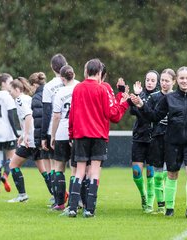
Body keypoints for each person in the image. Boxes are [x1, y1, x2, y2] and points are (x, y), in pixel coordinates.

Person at [131, 66, 187, 218]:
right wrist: (142, 105)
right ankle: (169, 208)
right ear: (177, 80)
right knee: (172, 174)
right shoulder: (169, 99)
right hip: (173, 143)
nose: (185, 81)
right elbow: (154, 116)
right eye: (182, 78)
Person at [66, 58, 128, 218]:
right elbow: (113, 115)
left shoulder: (77, 88)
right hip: (98, 136)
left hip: (80, 135)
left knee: (79, 171)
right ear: (100, 72)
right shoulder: (102, 90)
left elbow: (72, 114)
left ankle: (72, 208)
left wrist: (71, 134)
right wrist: (124, 103)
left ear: (86, 71)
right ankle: (89, 209)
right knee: (94, 172)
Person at [147, 68, 176, 214]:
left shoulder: (177, 97)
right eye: (162, 81)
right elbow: (149, 116)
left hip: (172, 140)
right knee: (158, 174)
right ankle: (160, 206)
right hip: (157, 138)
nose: (164, 83)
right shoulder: (153, 98)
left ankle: (170, 205)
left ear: (173, 82)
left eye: (167, 81)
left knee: (170, 173)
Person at [130, 70, 159, 213]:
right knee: (136, 172)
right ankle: (143, 195)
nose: (150, 82)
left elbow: (154, 115)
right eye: (148, 79)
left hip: (154, 138)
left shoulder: (159, 96)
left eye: (153, 80)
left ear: (157, 82)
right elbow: (133, 111)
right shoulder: (139, 94)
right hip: (139, 138)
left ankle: (149, 204)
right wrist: (136, 96)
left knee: (151, 172)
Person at [50, 65, 78, 211]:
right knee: (76, 169)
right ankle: (74, 203)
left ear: (62, 78)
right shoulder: (80, 87)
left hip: (62, 133)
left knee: (59, 168)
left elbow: (56, 116)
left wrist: (52, 135)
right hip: (77, 133)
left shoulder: (60, 92)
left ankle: (59, 203)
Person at [41, 53, 68, 205]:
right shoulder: (74, 83)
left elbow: (47, 112)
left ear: (52, 68)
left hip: (56, 131)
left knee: (55, 166)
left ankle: (58, 201)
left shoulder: (49, 86)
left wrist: (44, 136)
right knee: (77, 167)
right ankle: (79, 201)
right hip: (74, 130)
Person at [0, 73, 18, 193]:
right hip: (6, 132)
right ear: (4, 83)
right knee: (11, 157)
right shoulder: (8, 96)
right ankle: (5, 175)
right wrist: (16, 133)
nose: (11, 85)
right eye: (10, 82)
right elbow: (11, 115)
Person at [7, 77, 35, 203]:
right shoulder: (29, 98)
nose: (10, 93)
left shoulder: (19, 99)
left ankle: (22, 194)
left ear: (17, 89)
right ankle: (58, 197)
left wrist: (25, 135)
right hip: (37, 137)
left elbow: (28, 116)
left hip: (30, 140)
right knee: (44, 170)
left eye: (10, 91)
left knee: (13, 164)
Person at [28, 72, 53, 196]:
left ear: (34, 85)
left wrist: (39, 140)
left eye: (30, 86)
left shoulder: (37, 97)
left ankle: (58, 197)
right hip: (56, 134)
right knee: (57, 167)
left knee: (50, 169)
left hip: (45, 136)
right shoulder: (52, 91)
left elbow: (39, 120)